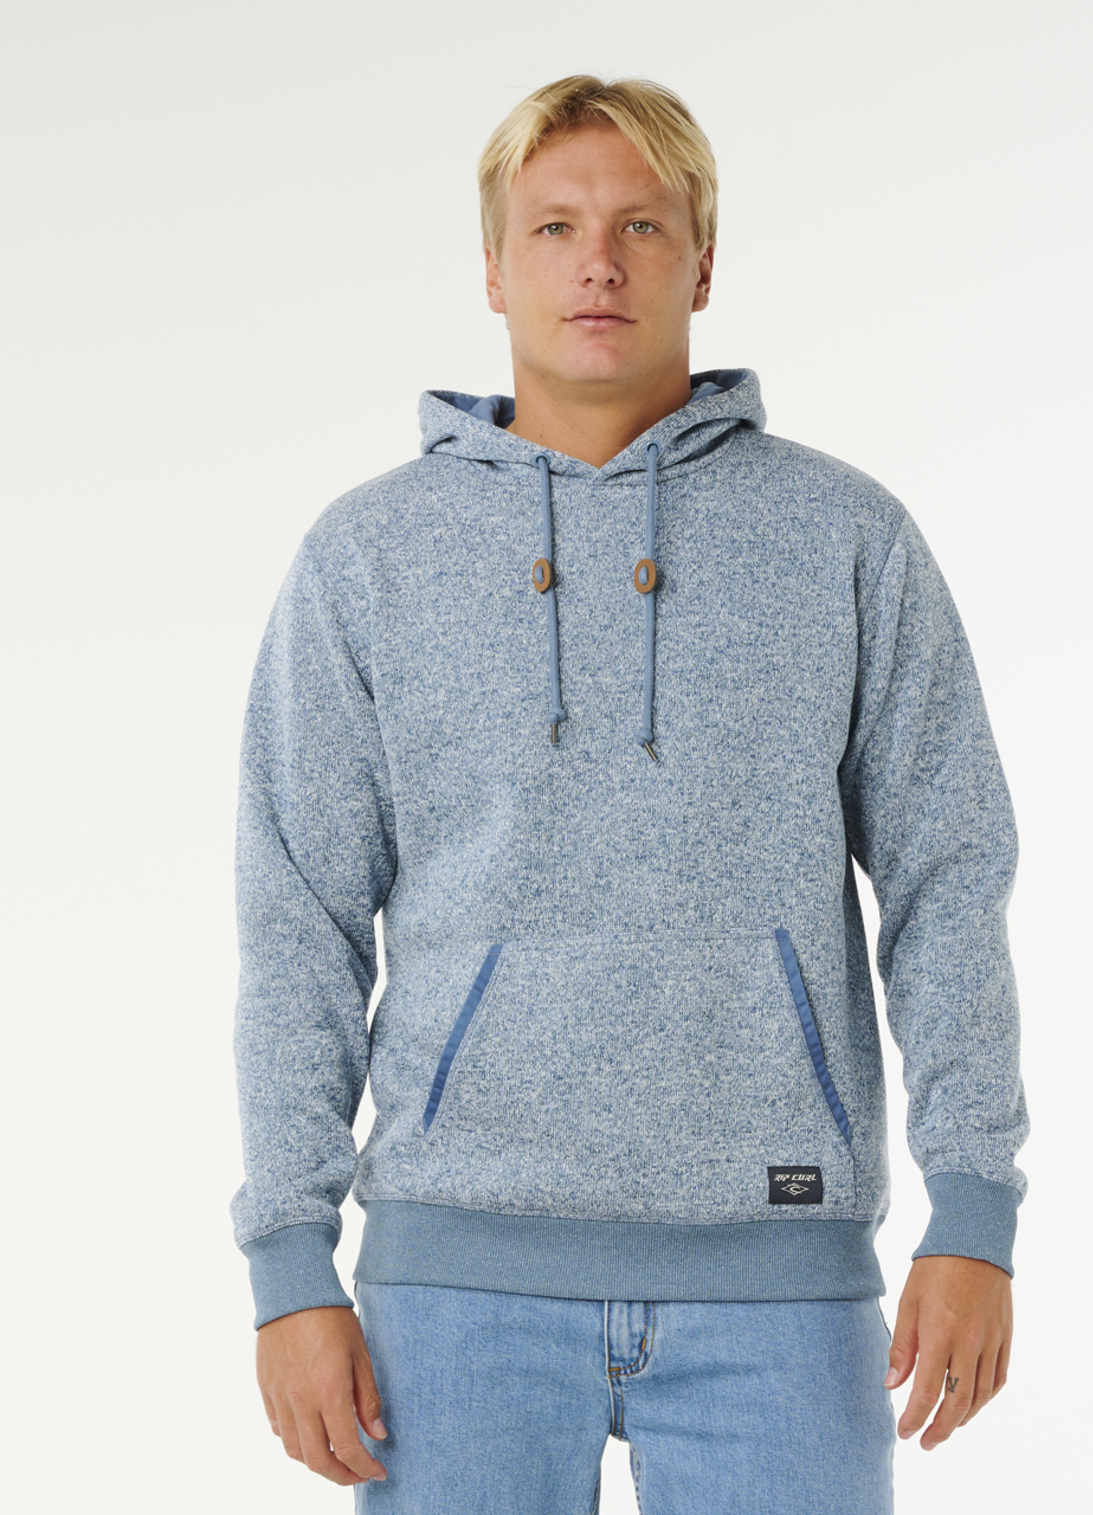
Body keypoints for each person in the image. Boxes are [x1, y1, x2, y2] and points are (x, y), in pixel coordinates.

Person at [229, 74, 1029, 1514]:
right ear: (493, 266)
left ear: (703, 263)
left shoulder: (846, 539)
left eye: (640, 226)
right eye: (554, 227)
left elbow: (948, 873)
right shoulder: (368, 560)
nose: (597, 262)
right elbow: (298, 921)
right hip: (454, 1284)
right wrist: (289, 1258)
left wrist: (973, 1204)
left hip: (780, 1279)